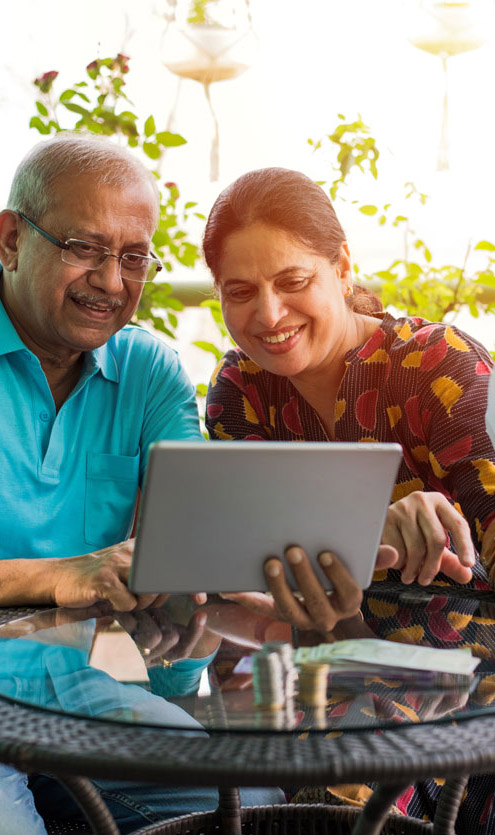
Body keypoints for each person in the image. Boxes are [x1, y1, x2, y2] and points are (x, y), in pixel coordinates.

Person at [0, 135, 283, 834]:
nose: (112, 282)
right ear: (12, 240)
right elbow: (71, 577)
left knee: (250, 810)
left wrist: (212, 598)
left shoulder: (148, 374)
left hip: (79, 679)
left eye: (133, 257)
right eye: (85, 247)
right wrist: (55, 575)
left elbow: (184, 568)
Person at [202, 166, 495, 831]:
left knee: (348, 777)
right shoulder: (239, 393)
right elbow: (249, 569)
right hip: (318, 658)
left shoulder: (439, 368)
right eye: (239, 291)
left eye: (292, 281)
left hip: (465, 662)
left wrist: (449, 538)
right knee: (323, 777)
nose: (267, 315)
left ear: (341, 266)